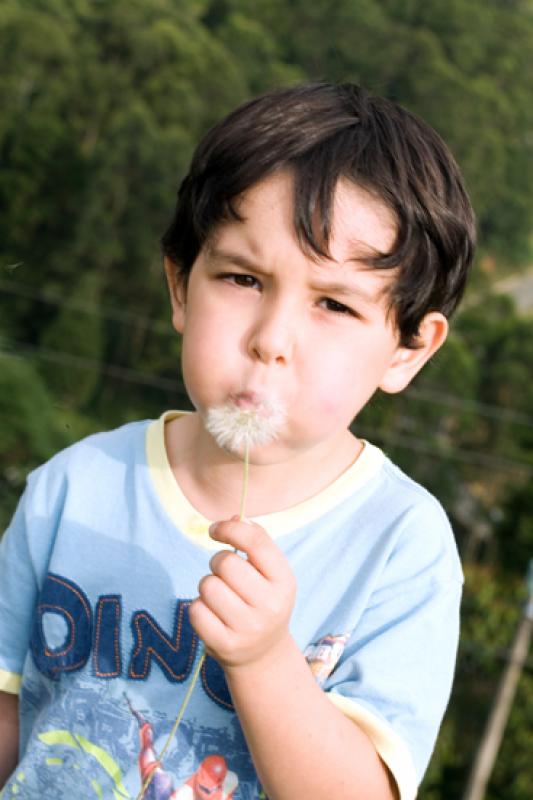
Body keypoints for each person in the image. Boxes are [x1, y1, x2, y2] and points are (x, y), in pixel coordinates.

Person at [0, 82, 475, 800]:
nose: (271, 340)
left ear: (407, 349)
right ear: (181, 287)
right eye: (243, 278)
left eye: (333, 304)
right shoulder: (74, 485)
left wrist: (262, 661)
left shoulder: (400, 544)